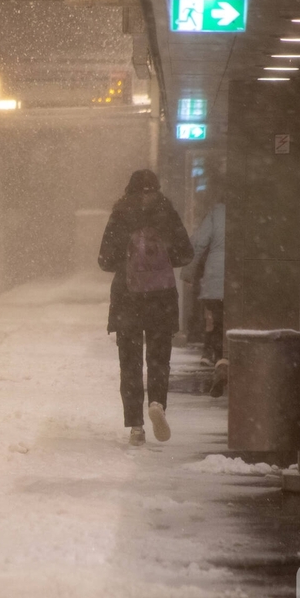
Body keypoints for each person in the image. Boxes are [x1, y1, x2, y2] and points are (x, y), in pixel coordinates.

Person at [98, 170, 193, 446]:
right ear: (157, 189)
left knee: (130, 363)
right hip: (161, 300)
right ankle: (157, 404)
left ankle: (136, 426)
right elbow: (186, 253)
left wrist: (126, 261)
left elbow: (104, 260)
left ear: (128, 189)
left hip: (127, 301)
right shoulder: (166, 213)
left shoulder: (120, 214)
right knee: (159, 360)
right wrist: (161, 258)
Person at [181, 180, 227, 397]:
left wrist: (189, 271)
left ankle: (221, 362)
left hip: (217, 279)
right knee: (241, 324)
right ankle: (233, 362)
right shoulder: (254, 212)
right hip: (247, 281)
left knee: (217, 322)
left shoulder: (217, 213)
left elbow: (198, 243)